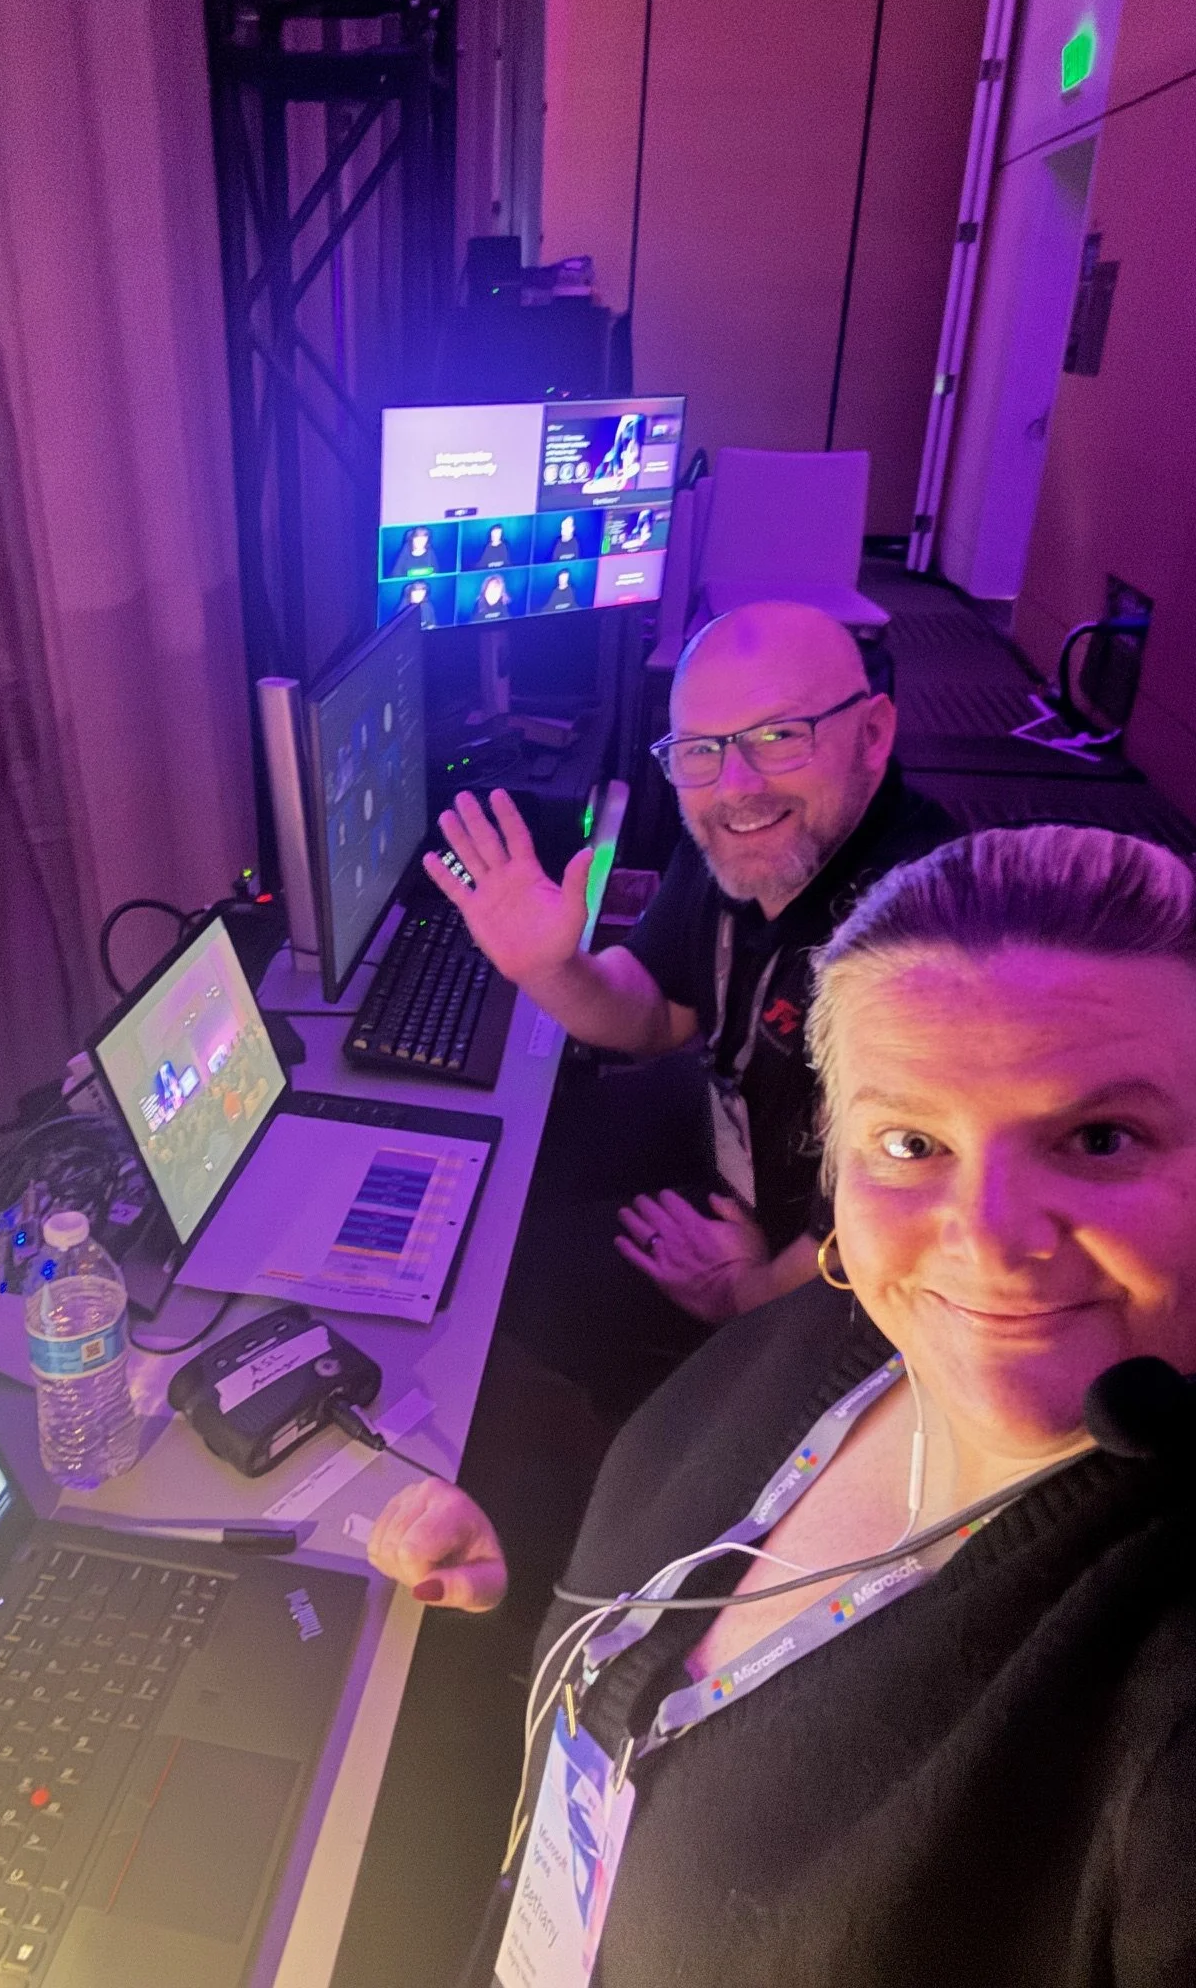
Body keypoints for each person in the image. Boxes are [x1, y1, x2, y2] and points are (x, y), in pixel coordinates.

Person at [371, 825, 1196, 1985]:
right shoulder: (841, 1332)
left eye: (1101, 1138)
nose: (991, 1238)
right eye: (910, 1143)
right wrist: (543, 1608)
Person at [425, 601, 954, 1415]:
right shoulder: (740, 840)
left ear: (874, 734)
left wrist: (747, 1292)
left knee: (518, 1273)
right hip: (731, 1134)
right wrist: (549, 967)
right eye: (701, 750)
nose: (736, 785)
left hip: (825, 1268)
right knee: (495, 1175)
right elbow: (653, 1017)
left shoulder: (926, 941)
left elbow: (916, 1211)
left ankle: (657, 1456)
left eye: (781, 734)